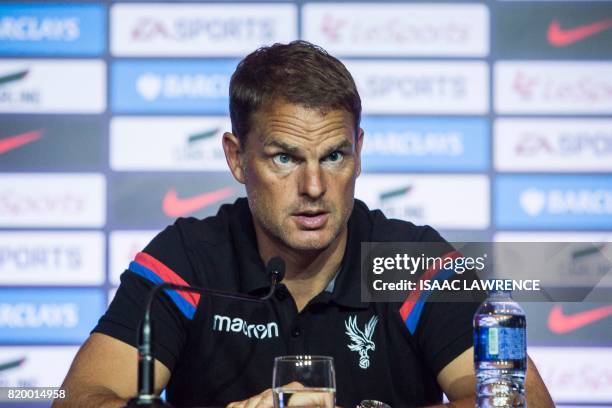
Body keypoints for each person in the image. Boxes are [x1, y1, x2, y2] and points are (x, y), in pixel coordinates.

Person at [55, 40, 554, 408]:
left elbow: (524, 401)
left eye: (334, 156)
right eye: (285, 159)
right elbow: (79, 399)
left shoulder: (413, 261)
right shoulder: (188, 259)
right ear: (236, 158)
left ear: (358, 152)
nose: (314, 186)